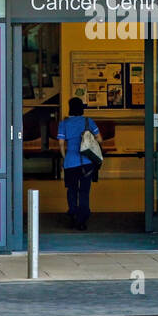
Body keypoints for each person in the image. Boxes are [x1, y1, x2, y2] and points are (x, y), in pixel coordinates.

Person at [58, 97, 101, 231]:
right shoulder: (89, 121)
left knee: (72, 190)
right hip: (87, 163)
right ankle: (82, 220)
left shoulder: (64, 123)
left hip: (70, 162)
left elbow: (60, 144)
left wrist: (65, 157)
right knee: (84, 191)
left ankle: (73, 215)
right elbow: (100, 139)